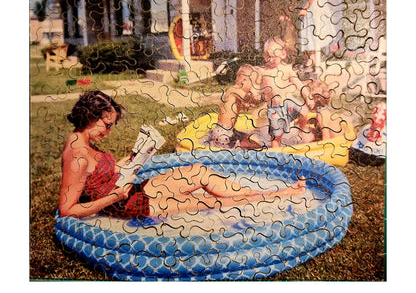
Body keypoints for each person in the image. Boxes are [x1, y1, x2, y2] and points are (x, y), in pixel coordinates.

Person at [58, 90, 306, 220]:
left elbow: (94, 178)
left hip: (129, 191)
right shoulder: (78, 154)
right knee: (210, 202)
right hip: (126, 205)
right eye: (107, 124)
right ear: (90, 116)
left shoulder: (81, 138)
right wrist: (113, 196)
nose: (109, 131)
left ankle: (251, 192)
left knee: (197, 171)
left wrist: (127, 163)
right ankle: (278, 195)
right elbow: (68, 209)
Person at [261, 37, 316, 148]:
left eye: (274, 57)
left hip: (288, 102)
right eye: (268, 57)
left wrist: (308, 97)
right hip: (274, 109)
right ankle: (276, 154)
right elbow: (256, 87)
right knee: (276, 136)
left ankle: (301, 130)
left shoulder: (287, 69)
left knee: (304, 111)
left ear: (283, 54)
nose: (271, 60)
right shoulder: (263, 71)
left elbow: (300, 85)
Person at [276, 0, 336, 67]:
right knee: (308, 32)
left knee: (314, 31)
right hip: (310, 6)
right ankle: (312, 59)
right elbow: (295, 3)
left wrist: (305, 9)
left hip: (315, 5)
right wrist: (286, 14)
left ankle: (313, 59)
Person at [208, 64, 266, 149]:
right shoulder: (234, 90)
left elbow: (246, 106)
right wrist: (265, 96)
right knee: (250, 149)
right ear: (244, 80)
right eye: (252, 84)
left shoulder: (236, 94)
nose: (251, 88)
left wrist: (250, 106)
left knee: (255, 143)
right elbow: (250, 99)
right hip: (222, 133)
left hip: (229, 131)